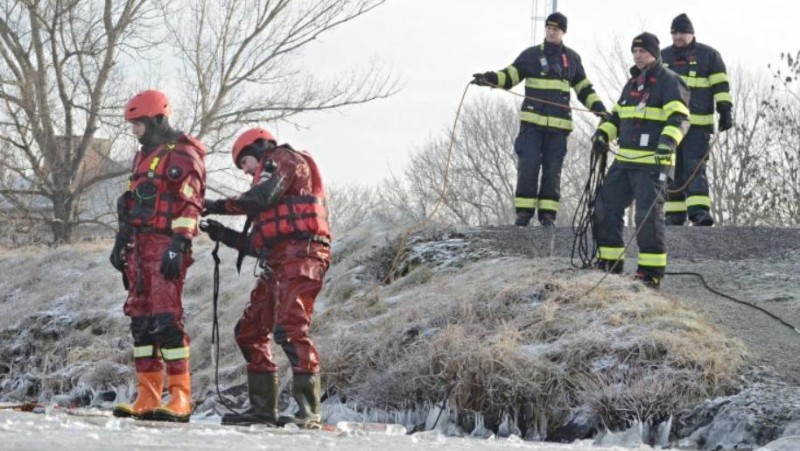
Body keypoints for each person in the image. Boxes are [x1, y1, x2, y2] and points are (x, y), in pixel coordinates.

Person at [200, 128, 331, 429]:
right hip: (279, 261)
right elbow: (256, 245)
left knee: (289, 328)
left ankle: (308, 413)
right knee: (249, 331)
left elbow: (261, 197)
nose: (246, 171)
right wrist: (222, 233)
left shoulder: (282, 158)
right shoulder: (272, 185)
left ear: (258, 147)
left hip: (303, 255)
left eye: (244, 162)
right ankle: (262, 411)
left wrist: (215, 204)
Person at [109, 90, 207, 422]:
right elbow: (133, 204)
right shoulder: (142, 157)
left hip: (165, 248)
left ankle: (180, 396)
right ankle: (147, 395)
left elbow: (188, 205)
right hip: (138, 250)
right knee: (141, 323)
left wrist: (178, 245)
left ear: (157, 120)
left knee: (166, 321)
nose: (134, 131)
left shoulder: (182, 156)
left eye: (138, 124)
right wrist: (120, 243)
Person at [472, 12, 607, 227]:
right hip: (532, 127)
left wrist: (600, 110)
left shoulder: (572, 59)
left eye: (556, 29)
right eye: (549, 28)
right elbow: (509, 76)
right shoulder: (531, 55)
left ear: (563, 32)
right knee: (528, 165)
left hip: (559, 129)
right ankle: (524, 214)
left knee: (553, 170)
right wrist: (490, 79)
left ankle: (547, 215)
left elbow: (584, 89)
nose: (552, 32)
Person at [591, 32, 691, 289]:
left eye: (642, 51)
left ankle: (650, 273)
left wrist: (667, 143)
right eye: (635, 51)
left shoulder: (669, 81)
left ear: (654, 53)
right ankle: (609, 264)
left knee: (646, 216)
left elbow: (679, 118)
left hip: (652, 164)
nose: (637, 55)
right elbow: (617, 117)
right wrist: (604, 134)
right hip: (624, 161)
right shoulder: (631, 84)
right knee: (604, 208)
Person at [661, 13, 733, 226]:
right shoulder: (662, 57)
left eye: (682, 33)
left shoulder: (709, 56)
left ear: (692, 33)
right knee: (671, 167)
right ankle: (674, 214)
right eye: (674, 33)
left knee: (693, 167)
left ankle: (699, 213)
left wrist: (725, 110)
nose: (678, 37)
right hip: (670, 125)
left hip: (697, 125)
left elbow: (721, 86)